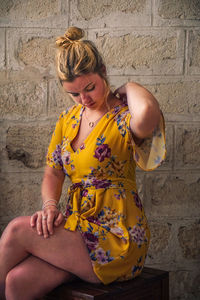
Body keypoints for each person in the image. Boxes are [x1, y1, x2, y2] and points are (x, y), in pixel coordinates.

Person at [0, 27, 166, 300]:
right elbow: (53, 171)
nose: (84, 99)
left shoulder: (123, 117)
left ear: (102, 71)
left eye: (90, 87)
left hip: (116, 237)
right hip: (77, 227)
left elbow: (148, 113)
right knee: (17, 282)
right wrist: (50, 207)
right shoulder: (68, 120)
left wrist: (128, 87)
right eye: (74, 94)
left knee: (18, 229)